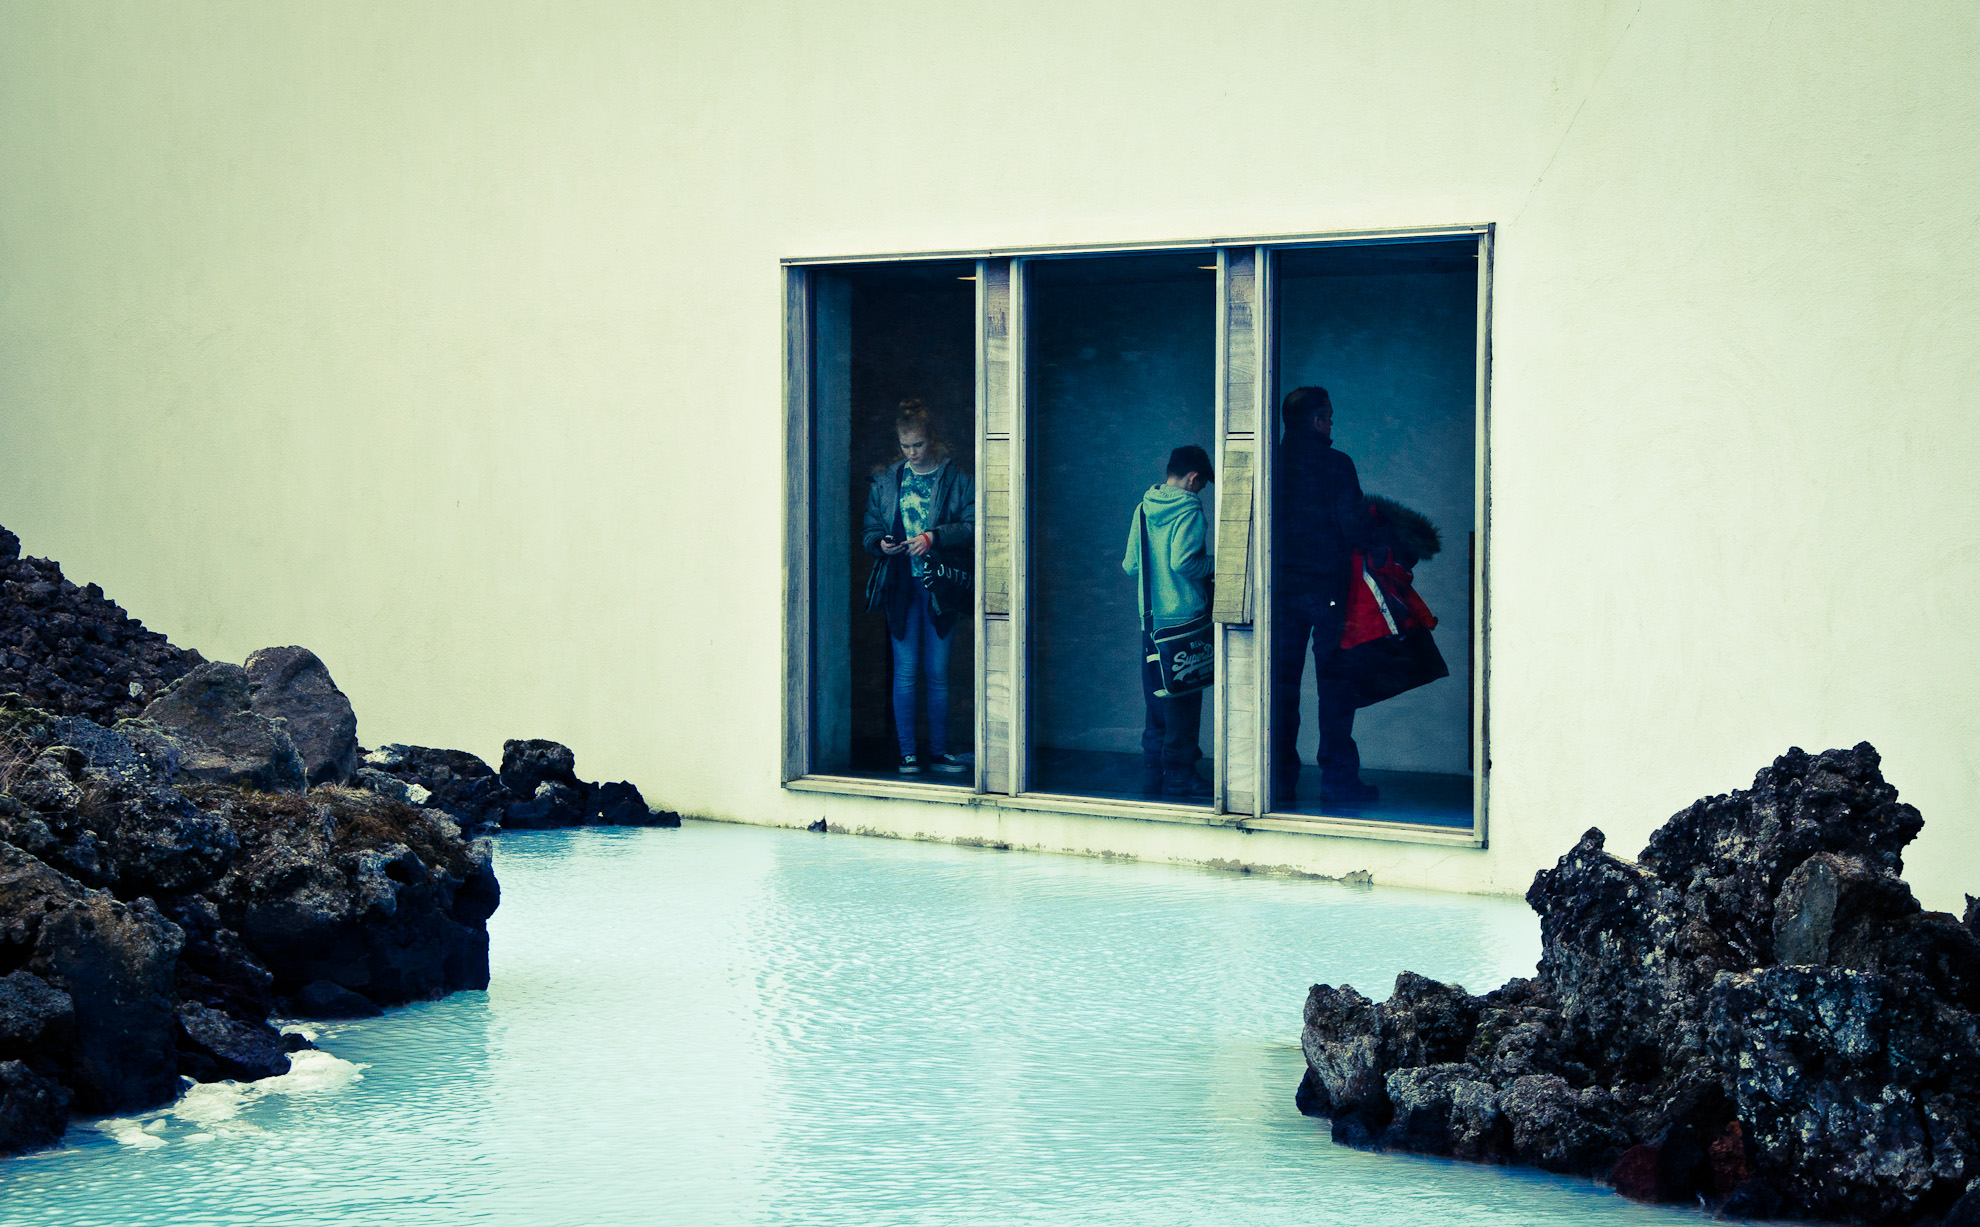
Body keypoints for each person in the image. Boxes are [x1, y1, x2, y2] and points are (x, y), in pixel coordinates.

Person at [1272, 386, 1378, 808]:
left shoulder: (1271, 463)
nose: (1332, 423)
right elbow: (1354, 525)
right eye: (1329, 416)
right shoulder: (1336, 465)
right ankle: (1338, 780)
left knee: (1281, 688)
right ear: (1317, 421)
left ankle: (1278, 779)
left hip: (1280, 590)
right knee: (1335, 687)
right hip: (1329, 590)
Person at [863, 400, 974, 775]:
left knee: (938, 672)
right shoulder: (888, 478)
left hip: (940, 584)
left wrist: (934, 537)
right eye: (905, 445)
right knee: (906, 671)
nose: (912, 452)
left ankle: (939, 751)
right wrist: (881, 544)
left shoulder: (955, 476)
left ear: (932, 439)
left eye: (918, 444)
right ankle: (908, 754)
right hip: (900, 584)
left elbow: (974, 523)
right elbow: (870, 529)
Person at [1122, 445, 1215, 799]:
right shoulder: (1189, 510)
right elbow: (1183, 562)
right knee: (1183, 707)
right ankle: (1180, 777)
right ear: (1193, 478)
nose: (1200, 491)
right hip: (1184, 622)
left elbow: (1130, 565)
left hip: (1151, 621)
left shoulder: (1143, 508)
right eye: (1202, 484)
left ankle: (1154, 771)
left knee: (1157, 703)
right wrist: (1216, 564)